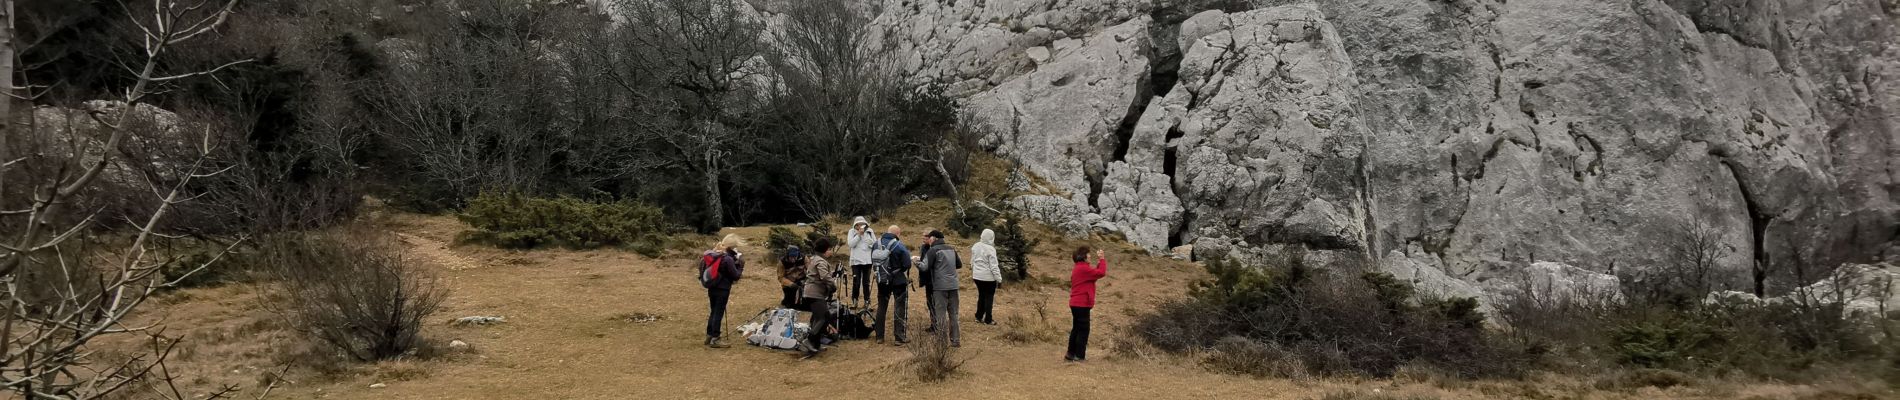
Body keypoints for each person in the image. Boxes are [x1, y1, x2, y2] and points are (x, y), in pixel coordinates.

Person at [919, 230, 962, 347]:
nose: (929, 239)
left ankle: (942, 342)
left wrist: (916, 261)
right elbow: (959, 264)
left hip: (940, 287)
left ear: (935, 238)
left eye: (930, 237)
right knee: (954, 314)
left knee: (941, 314)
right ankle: (955, 340)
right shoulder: (951, 249)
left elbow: (924, 267)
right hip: (953, 285)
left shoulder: (933, 250)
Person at [704, 234, 747, 349]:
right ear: (732, 247)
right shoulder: (727, 259)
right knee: (719, 312)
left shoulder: (716, 254)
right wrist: (741, 264)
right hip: (722, 289)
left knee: (713, 311)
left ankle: (709, 335)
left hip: (712, 287)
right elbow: (736, 276)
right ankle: (715, 338)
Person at [872, 225, 912, 345]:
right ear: (898, 234)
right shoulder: (899, 245)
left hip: (882, 279)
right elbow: (907, 264)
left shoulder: (876, 244)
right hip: (898, 280)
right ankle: (899, 338)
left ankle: (879, 337)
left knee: (881, 307)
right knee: (899, 307)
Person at [1066, 246, 1107, 361]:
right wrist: (1102, 259)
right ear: (1083, 257)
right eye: (1088, 254)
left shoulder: (1080, 268)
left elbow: (1095, 274)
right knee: (1083, 330)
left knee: (1076, 329)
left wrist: (1099, 262)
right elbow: (1101, 273)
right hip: (1081, 304)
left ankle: (1070, 354)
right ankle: (1079, 356)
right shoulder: (1083, 269)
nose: (1090, 256)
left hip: (1076, 303)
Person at [800, 238, 840, 358]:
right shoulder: (821, 262)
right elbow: (824, 277)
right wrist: (833, 284)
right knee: (824, 317)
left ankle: (816, 344)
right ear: (825, 250)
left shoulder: (814, 259)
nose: (831, 252)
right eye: (830, 249)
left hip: (811, 292)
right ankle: (809, 340)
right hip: (815, 293)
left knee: (817, 318)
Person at [970, 229, 1001, 325]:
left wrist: (974, 271)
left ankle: (978, 316)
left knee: (981, 296)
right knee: (989, 298)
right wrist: (999, 279)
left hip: (977, 276)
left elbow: (972, 261)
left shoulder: (976, 246)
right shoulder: (991, 249)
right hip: (988, 278)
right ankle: (988, 319)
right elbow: (994, 266)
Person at [847, 216, 875, 307]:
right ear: (856, 224)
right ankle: (855, 301)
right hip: (856, 261)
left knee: (866, 282)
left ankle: (867, 302)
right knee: (856, 282)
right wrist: (859, 235)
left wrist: (865, 236)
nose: (861, 226)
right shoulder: (851, 232)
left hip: (867, 261)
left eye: (863, 224)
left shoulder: (870, 231)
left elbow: (874, 244)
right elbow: (851, 244)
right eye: (859, 224)